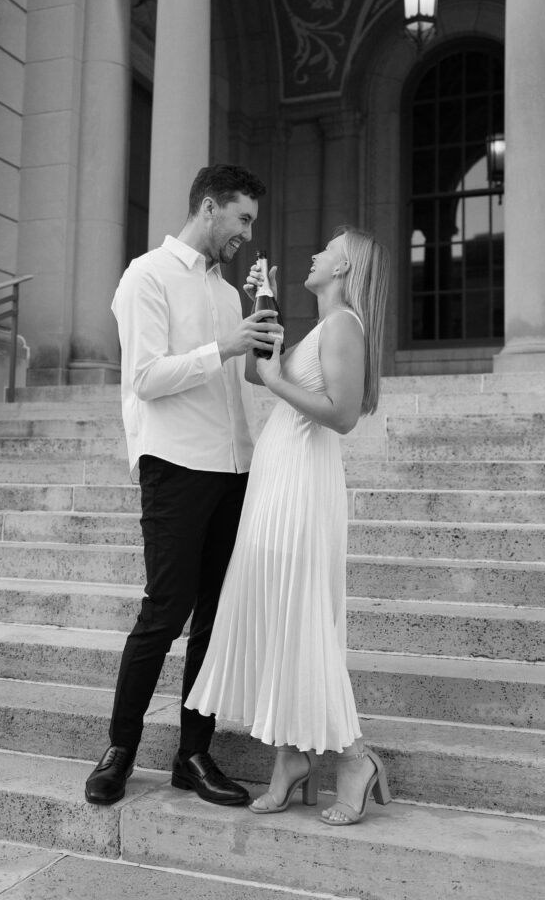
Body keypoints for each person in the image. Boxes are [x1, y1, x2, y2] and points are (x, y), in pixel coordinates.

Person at [85, 164, 283, 807]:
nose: (248, 235)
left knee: (214, 622)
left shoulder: (229, 293)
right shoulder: (146, 275)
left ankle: (193, 755)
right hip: (174, 465)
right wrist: (224, 347)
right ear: (208, 207)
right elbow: (145, 377)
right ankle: (119, 750)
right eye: (242, 219)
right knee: (163, 612)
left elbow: (244, 378)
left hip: (233, 468)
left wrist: (262, 344)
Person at [185, 226, 392, 826]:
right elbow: (258, 373)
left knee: (301, 615)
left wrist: (276, 381)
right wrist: (262, 304)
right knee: (278, 612)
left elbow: (344, 416)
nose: (315, 252)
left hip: (304, 483)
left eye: (326, 249)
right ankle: (290, 757)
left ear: (345, 268)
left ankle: (354, 760)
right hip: (278, 481)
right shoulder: (323, 328)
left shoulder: (346, 326)